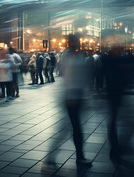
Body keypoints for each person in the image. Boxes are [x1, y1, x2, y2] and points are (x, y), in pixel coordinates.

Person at [43, 34, 92, 170]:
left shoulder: (77, 55)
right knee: (71, 129)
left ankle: (56, 158)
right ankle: (76, 157)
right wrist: (71, 95)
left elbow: (82, 75)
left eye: (77, 41)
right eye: (74, 41)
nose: (77, 43)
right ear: (70, 43)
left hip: (78, 95)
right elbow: (68, 76)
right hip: (71, 97)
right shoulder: (67, 56)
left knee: (70, 129)